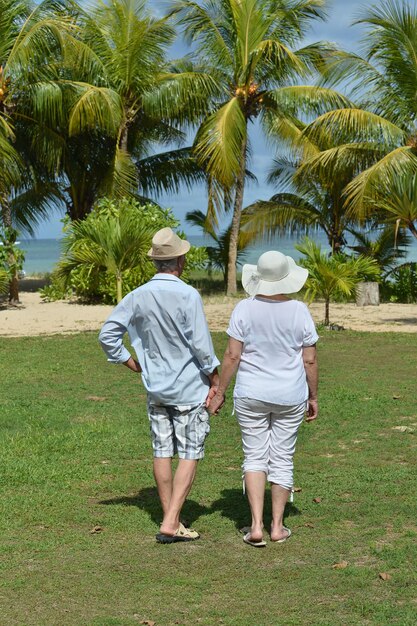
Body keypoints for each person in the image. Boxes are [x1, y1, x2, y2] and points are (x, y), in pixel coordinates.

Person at [99, 227, 220, 544]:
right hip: (190, 388)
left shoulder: (137, 296)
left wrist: (131, 362)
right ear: (179, 261)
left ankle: (173, 521)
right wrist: (215, 378)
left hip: (156, 388)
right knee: (190, 453)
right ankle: (170, 521)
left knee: (162, 452)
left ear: (157, 262)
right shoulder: (188, 294)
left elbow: (107, 335)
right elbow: (202, 346)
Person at [209, 250, 318, 548]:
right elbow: (309, 360)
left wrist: (220, 392)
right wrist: (313, 396)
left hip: (251, 394)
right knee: (282, 457)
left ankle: (255, 525)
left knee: (254, 456)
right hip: (290, 394)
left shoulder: (244, 308)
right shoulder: (299, 310)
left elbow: (232, 355)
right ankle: (277, 526)